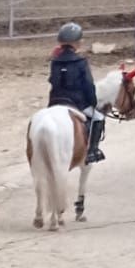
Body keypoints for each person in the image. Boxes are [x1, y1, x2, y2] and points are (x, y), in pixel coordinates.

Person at [48, 22, 104, 166]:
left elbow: (53, 81)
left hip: (55, 101)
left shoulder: (55, 62)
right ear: (76, 42)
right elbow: (88, 85)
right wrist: (93, 102)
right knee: (98, 117)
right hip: (76, 103)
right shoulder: (80, 61)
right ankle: (92, 151)